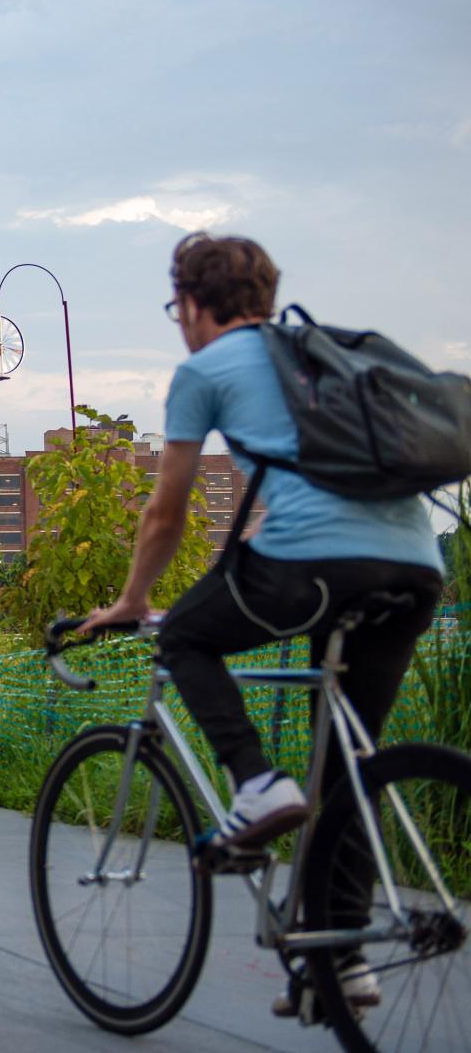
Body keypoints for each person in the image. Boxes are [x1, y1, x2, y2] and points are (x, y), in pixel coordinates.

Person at [79, 233, 443, 1013]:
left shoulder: (204, 369)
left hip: (315, 563)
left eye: (178, 306)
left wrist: (134, 601)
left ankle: (254, 785)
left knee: (184, 635)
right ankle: (338, 961)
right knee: (346, 760)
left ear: (194, 305)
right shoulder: (319, 354)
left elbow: (165, 511)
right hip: (417, 568)